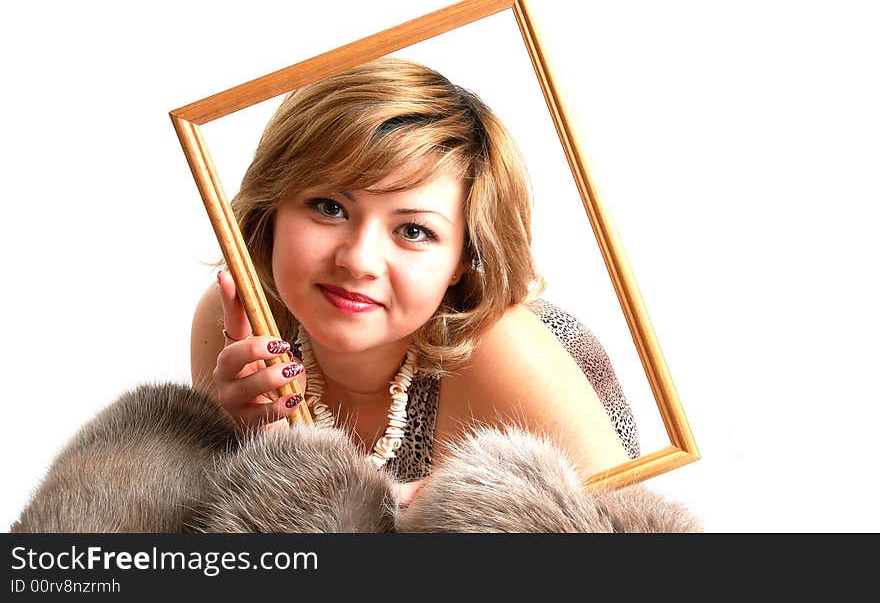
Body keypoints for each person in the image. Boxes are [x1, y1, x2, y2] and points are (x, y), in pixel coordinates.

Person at [189, 56, 631, 502]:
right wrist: (262, 454)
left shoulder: (503, 350)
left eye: (414, 231)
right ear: (273, 207)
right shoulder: (238, 322)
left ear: (464, 259)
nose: (359, 261)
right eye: (329, 207)